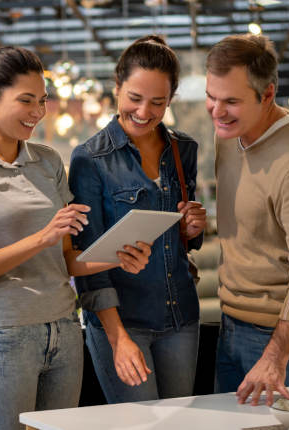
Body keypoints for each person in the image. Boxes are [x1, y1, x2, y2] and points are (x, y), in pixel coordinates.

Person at [0, 46, 152, 430]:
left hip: (65, 332)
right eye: (26, 100)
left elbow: (66, 260)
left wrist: (118, 256)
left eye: (42, 100)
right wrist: (41, 237)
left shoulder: (48, 160)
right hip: (2, 341)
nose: (38, 111)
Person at [69, 35, 208, 404]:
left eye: (158, 102)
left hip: (181, 316)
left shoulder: (184, 150)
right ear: (116, 88)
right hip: (122, 321)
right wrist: (117, 338)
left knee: (181, 424)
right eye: (134, 98)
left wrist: (191, 230)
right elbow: (88, 261)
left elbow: (182, 240)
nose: (144, 112)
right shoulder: (90, 160)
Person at [205, 34, 289, 406]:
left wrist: (274, 356)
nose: (217, 111)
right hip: (232, 324)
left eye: (231, 101)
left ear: (267, 95)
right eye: (211, 97)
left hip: (288, 339)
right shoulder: (229, 136)